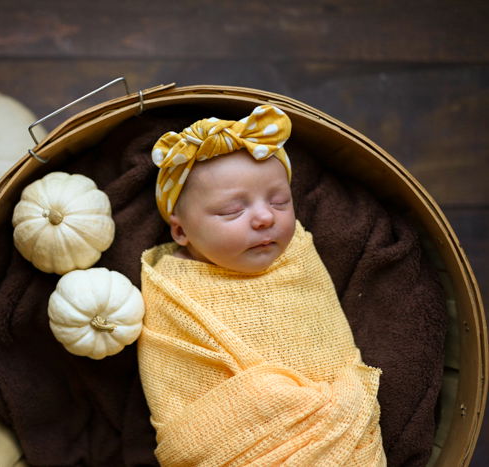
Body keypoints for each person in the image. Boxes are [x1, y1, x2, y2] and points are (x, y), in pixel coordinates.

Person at [137, 105, 386, 466]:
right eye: (231, 211)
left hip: (343, 433)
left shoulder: (297, 253)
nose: (266, 217)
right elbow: (173, 377)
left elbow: (327, 342)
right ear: (181, 231)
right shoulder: (170, 286)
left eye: (279, 201)